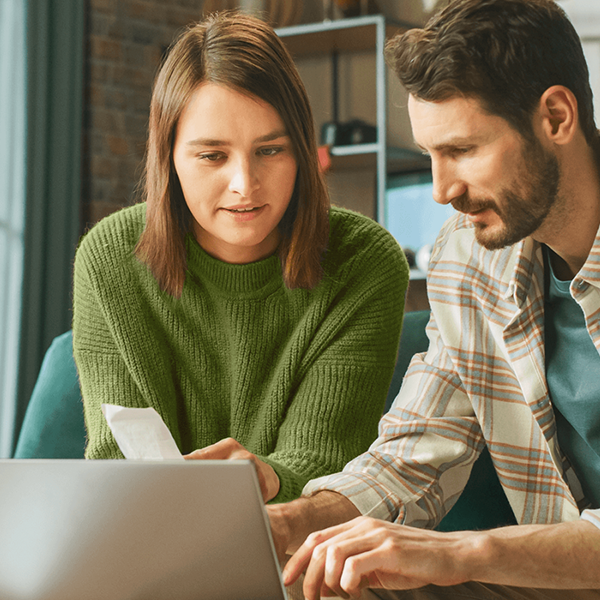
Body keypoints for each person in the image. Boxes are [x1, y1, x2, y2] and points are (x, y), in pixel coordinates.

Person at [267, 0, 600, 597]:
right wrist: (291, 522)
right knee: (312, 579)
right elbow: (413, 454)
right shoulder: (466, 260)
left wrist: (463, 553)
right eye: (430, 157)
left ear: (555, 116)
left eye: (464, 150)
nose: (443, 189)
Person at [72, 12, 408, 504]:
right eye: (212, 156)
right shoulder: (110, 260)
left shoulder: (364, 262)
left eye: (270, 151)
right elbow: (117, 462)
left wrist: (269, 477)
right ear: (169, 158)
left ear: (303, 151)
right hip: (151, 540)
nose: (244, 185)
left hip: (301, 549)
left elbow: (326, 462)